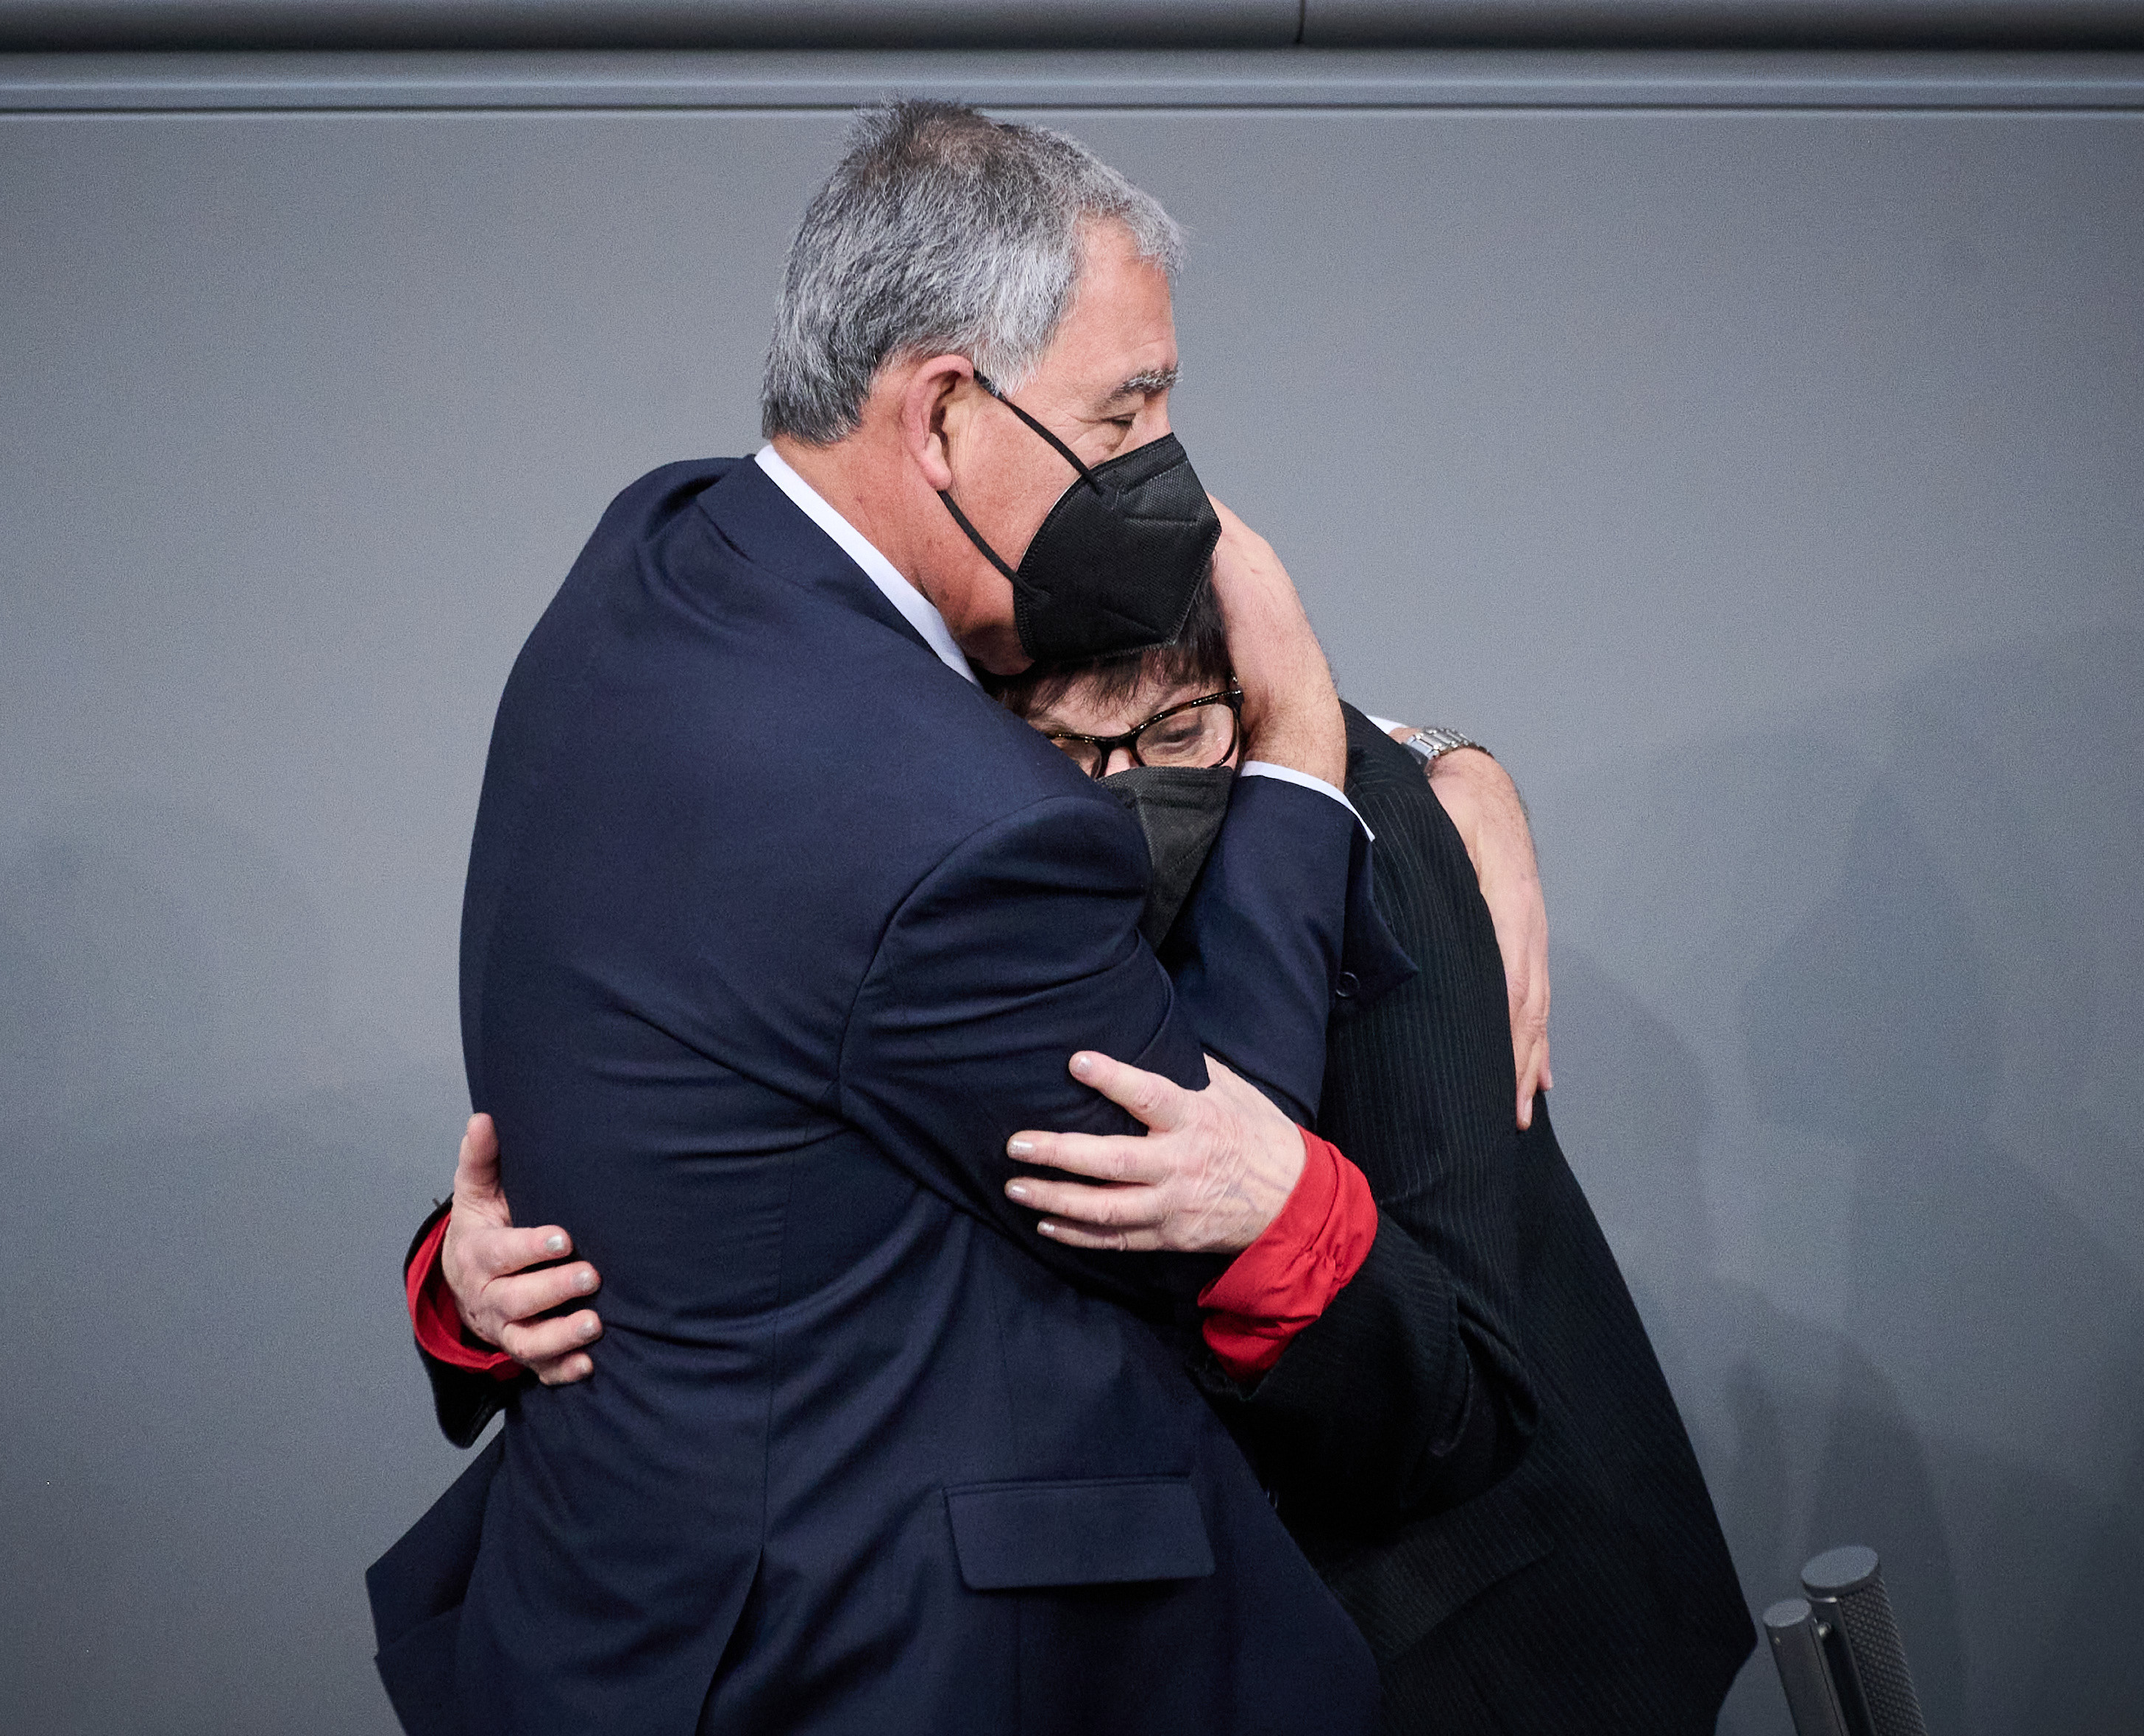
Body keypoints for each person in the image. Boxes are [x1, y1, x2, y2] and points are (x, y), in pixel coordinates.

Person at [366, 101, 1408, 1736]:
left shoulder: (654, 552)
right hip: (852, 1667)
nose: (1163, 480)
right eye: (1122, 416)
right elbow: (1208, 1167)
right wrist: (1295, 758)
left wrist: (1448, 759)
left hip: (602, 1613)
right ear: (939, 417)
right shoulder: (954, 833)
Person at [425, 600, 1758, 1729]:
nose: (1127, 792)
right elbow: (760, 1165)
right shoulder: (912, 883)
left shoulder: (1366, 844)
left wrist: (1279, 1202)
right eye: (1062, 745)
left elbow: (1460, 1378)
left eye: (1180, 734)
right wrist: (480, 1272)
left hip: (1483, 1631)